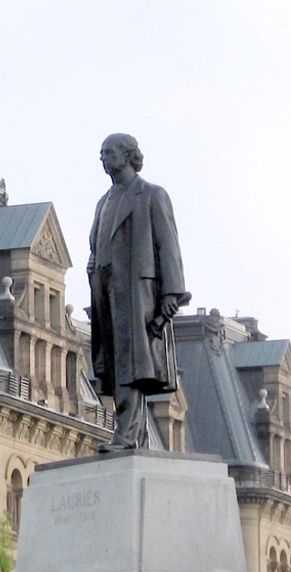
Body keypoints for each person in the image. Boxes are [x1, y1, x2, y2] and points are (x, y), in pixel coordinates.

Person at [88, 133, 191, 451]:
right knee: (117, 363)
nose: (103, 159)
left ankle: (126, 434)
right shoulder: (104, 201)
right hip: (107, 291)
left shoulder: (151, 195)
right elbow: (97, 246)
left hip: (137, 293)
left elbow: (167, 245)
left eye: (108, 152)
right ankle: (137, 436)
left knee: (132, 364)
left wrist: (172, 293)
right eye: (101, 153)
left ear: (127, 155)